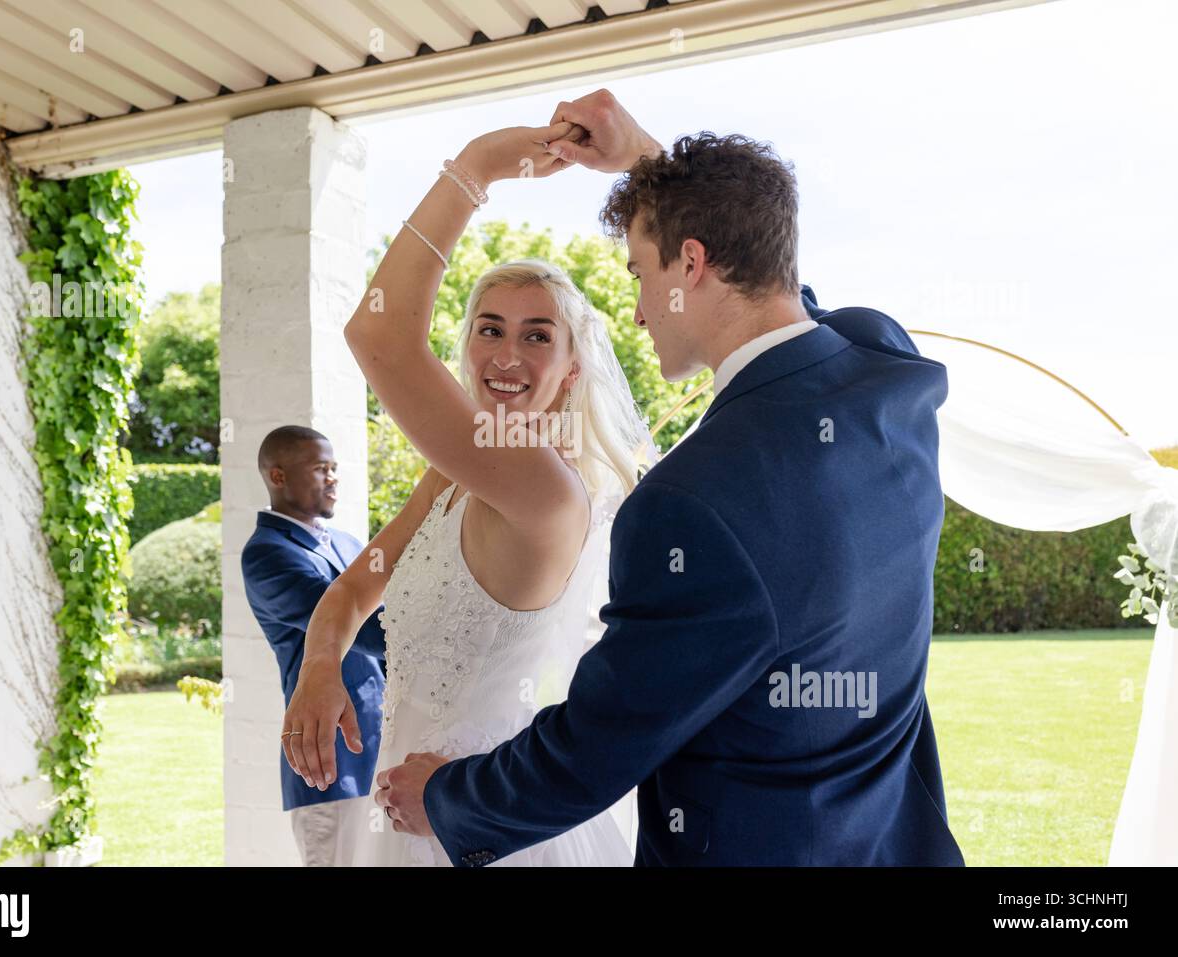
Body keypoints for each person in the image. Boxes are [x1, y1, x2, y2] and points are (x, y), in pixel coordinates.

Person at [374, 90, 966, 867]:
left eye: (640, 272)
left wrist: (443, 798)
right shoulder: (889, 376)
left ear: (689, 262)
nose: (641, 309)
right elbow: (781, 294)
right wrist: (652, 168)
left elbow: (595, 747)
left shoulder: (690, 505)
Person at [280, 121, 655, 865]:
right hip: (406, 825)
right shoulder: (452, 474)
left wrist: (479, 166)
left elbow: (379, 336)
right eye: (490, 329)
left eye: (538, 336)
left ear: (573, 371)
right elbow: (356, 589)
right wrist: (320, 665)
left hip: (486, 832)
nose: (507, 355)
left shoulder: (546, 488)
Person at [240, 425, 386, 866]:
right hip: (330, 760)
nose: (333, 478)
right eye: (321, 469)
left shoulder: (346, 543)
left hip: (382, 750)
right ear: (278, 477)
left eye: (335, 468)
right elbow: (367, 631)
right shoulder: (267, 553)